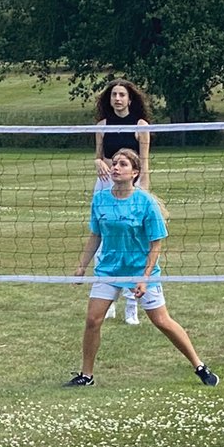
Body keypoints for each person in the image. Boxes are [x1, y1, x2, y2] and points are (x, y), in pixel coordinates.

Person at [68, 149, 218, 388]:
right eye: (114, 163)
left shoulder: (145, 202)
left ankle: (199, 366)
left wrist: (145, 278)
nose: (116, 167)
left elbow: (155, 244)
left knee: (161, 321)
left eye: (123, 164)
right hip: (109, 270)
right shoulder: (100, 199)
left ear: (134, 173)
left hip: (141, 270)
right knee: (92, 320)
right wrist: (81, 267)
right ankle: (86, 375)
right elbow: (95, 235)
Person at [93, 79, 152, 325]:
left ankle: (131, 304)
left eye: (122, 95)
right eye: (114, 95)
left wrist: (144, 191)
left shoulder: (141, 126)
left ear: (130, 99)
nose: (117, 98)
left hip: (133, 185)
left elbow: (145, 162)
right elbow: (98, 157)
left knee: (133, 243)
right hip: (106, 185)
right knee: (103, 240)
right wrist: (98, 162)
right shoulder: (102, 125)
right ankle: (107, 300)